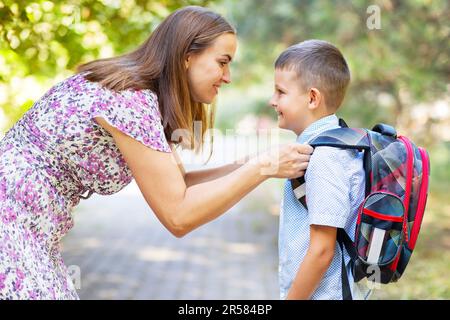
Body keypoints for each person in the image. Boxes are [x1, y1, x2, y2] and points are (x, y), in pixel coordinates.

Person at [0, 6, 312, 299]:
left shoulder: (142, 97)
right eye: (222, 61)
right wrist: (262, 168)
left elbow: (182, 185)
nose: (227, 76)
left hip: (33, 229)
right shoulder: (130, 100)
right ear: (187, 56)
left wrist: (257, 161)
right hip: (11, 221)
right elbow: (178, 216)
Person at [271, 39, 371, 300]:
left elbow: (321, 251)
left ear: (312, 98)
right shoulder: (327, 146)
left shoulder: (326, 157)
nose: (272, 101)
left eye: (280, 92)